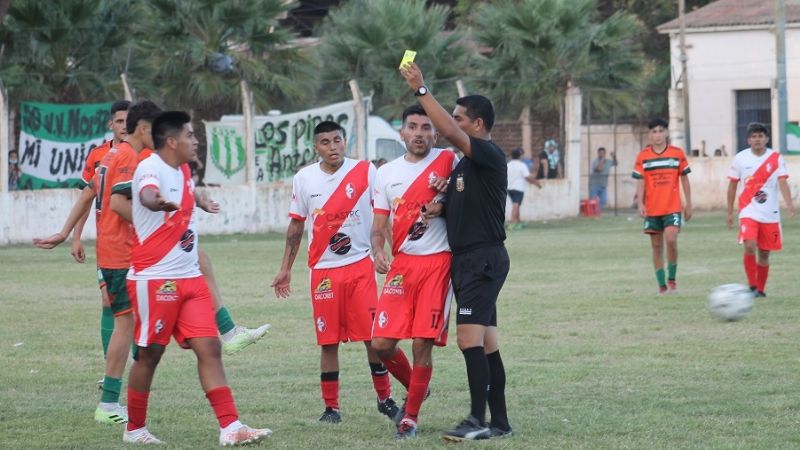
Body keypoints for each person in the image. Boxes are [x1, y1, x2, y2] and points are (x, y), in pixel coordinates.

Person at [34, 101, 268, 361]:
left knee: (195, 264)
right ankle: (121, 373)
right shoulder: (111, 155)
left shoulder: (144, 155)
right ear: (116, 125)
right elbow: (93, 196)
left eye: (128, 121)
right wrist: (71, 235)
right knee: (121, 310)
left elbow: (171, 182)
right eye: (120, 121)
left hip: (133, 243)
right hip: (118, 245)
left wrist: (195, 199)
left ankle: (225, 332)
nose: (125, 126)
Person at [124, 111, 271, 445]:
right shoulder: (149, 167)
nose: (195, 140)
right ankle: (134, 429)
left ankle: (231, 426)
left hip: (190, 278)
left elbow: (185, 192)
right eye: (189, 135)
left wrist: (198, 199)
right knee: (149, 355)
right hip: (155, 279)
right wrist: (158, 202)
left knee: (210, 348)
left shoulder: (185, 170)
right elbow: (147, 194)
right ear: (171, 141)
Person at [400, 63, 512, 441]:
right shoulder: (466, 165)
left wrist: (420, 89)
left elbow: (446, 130)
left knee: (468, 341)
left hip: (481, 259)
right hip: (470, 260)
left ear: (477, 124)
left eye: (460, 118)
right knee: (487, 344)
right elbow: (470, 204)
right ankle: (499, 422)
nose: (453, 123)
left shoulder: (487, 153)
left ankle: (477, 421)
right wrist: (441, 207)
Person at [271, 121, 400, 424]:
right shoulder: (304, 178)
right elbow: (296, 225)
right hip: (323, 271)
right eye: (325, 142)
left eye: (337, 140)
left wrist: (395, 252)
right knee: (328, 341)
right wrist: (285, 268)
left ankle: (385, 399)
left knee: (372, 339)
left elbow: (382, 216)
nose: (333, 147)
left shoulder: (365, 171)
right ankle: (331, 408)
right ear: (316, 147)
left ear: (345, 142)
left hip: (360, 266)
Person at [370, 104, 458, 439]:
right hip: (402, 265)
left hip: (439, 263)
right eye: (413, 127)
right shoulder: (385, 173)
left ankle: (410, 417)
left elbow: (469, 199)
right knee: (381, 343)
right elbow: (378, 226)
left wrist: (444, 203)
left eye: (426, 127)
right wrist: (378, 251)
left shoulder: (449, 160)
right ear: (401, 132)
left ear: (435, 133)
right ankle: (418, 387)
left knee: (423, 342)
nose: (419, 133)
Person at [726, 122, 795, 297]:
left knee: (764, 253)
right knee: (749, 245)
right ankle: (752, 286)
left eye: (760, 136)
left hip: (770, 213)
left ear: (766, 139)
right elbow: (732, 186)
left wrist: (789, 205)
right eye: (754, 136)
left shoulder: (776, 158)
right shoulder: (740, 158)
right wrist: (729, 212)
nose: (757, 139)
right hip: (748, 210)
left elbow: (782, 182)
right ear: (748, 140)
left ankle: (761, 290)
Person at [632, 118, 693, 295]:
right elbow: (640, 181)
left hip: (672, 207)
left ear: (666, 132)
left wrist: (688, 204)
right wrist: (641, 203)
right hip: (652, 209)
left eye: (660, 131)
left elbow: (684, 178)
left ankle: (672, 280)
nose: (658, 135)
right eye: (654, 132)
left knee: (671, 239)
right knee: (657, 247)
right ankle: (662, 286)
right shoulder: (643, 156)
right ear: (649, 135)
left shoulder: (677, 153)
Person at [506, 147, 541, 230]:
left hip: (509, 188)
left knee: (517, 204)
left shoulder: (508, 165)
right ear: (520, 156)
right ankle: (513, 223)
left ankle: (518, 222)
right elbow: (527, 177)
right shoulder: (521, 165)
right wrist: (537, 183)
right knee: (516, 205)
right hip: (518, 188)